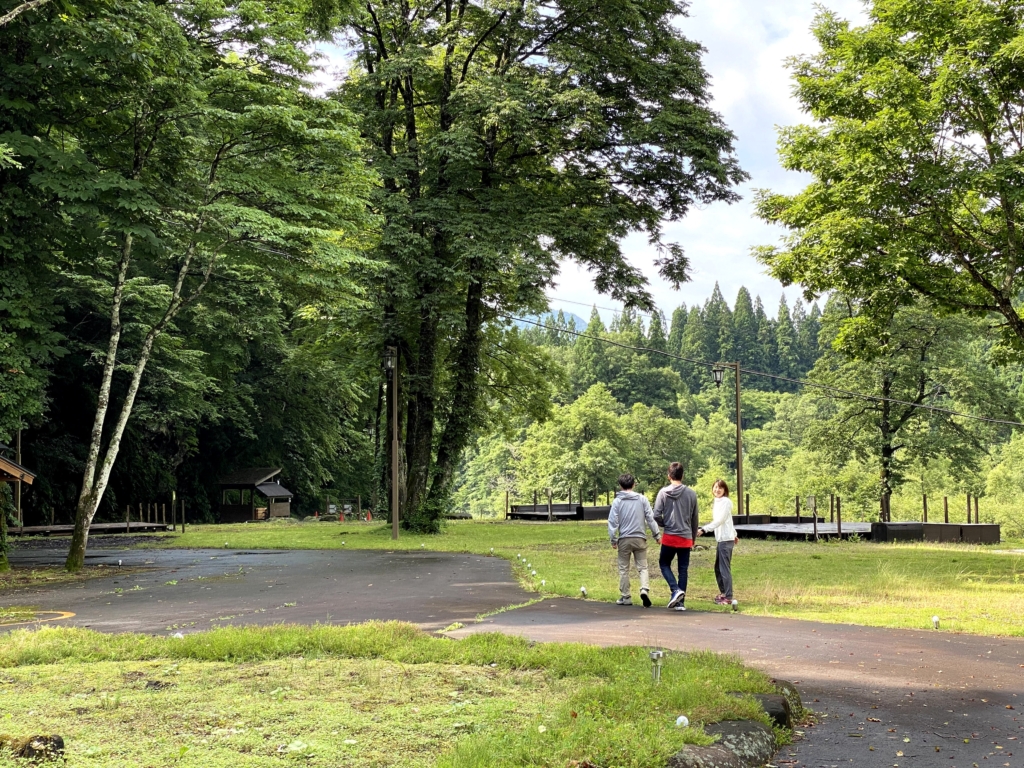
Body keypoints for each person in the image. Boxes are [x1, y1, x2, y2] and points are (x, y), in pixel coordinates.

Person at [607, 473, 661, 607]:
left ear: (620, 485)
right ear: (634, 484)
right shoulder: (642, 499)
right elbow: (650, 518)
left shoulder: (617, 501)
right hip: (640, 539)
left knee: (623, 568)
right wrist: (657, 535)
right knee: (643, 567)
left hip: (624, 539)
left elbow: (613, 522)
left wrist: (613, 539)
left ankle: (626, 597)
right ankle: (644, 589)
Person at [653, 462, 699, 611]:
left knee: (664, 564)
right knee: (683, 570)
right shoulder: (691, 494)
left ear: (669, 476)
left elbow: (655, 515)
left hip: (670, 535)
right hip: (685, 536)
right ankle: (680, 603)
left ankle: (675, 589)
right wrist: (693, 538)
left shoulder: (663, 493)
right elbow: (695, 518)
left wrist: (665, 523)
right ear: (682, 475)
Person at [697, 478, 738, 606]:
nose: (717, 490)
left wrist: (704, 529)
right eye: (715, 487)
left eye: (720, 488)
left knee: (724, 569)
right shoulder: (717, 502)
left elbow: (720, 520)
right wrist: (735, 534)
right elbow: (728, 520)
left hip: (725, 540)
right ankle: (724, 593)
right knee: (718, 568)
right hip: (723, 539)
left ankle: (728, 596)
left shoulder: (725, 502)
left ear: (725, 490)